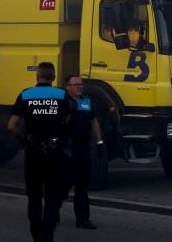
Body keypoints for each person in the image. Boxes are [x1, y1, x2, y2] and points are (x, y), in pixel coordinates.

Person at [7, 62, 71, 242]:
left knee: (34, 197)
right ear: (53, 77)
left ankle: (36, 236)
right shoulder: (61, 95)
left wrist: (24, 139)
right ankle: (47, 237)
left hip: (33, 151)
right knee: (51, 199)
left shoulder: (26, 94)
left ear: (38, 76)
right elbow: (68, 120)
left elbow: (11, 126)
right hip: (54, 151)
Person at [62, 75, 103, 230]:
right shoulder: (64, 102)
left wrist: (99, 142)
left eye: (81, 84)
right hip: (68, 149)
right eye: (75, 84)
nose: (79, 87)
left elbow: (94, 122)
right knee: (64, 183)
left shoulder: (87, 101)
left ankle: (83, 219)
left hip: (84, 148)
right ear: (68, 87)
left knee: (82, 185)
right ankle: (53, 208)